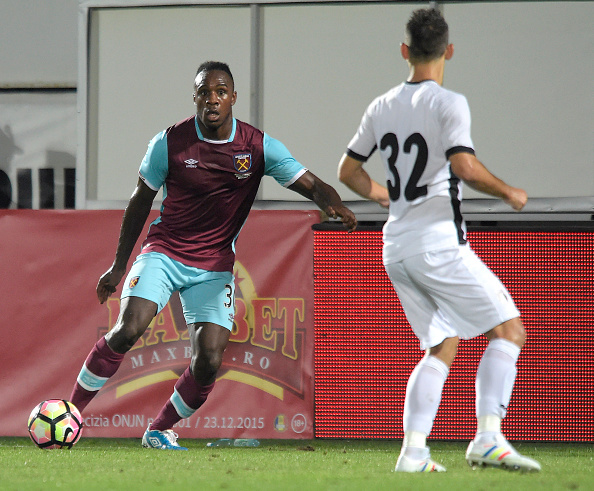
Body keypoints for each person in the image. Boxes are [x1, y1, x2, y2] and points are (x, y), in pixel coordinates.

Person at [70, 60, 357, 450]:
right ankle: (70, 415)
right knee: (129, 327)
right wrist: (119, 264)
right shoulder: (169, 142)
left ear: (233, 98)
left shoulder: (257, 146)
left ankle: (159, 429)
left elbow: (311, 184)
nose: (212, 99)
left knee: (209, 359)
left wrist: (334, 204)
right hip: (165, 252)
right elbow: (140, 201)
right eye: (204, 91)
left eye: (221, 92)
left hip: (214, 267)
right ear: (195, 97)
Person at [338, 8, 540, 473]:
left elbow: (347, 171)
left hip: (397, 248)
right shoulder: (449, 103)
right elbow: (464, 166)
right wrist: (509, 190)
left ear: (405, 51)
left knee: (443, 343)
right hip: (436, 243)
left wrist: (383, 195)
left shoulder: (381, 105)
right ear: (449, 51)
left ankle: (413, 453)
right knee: (510, 331)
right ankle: (488, 437)